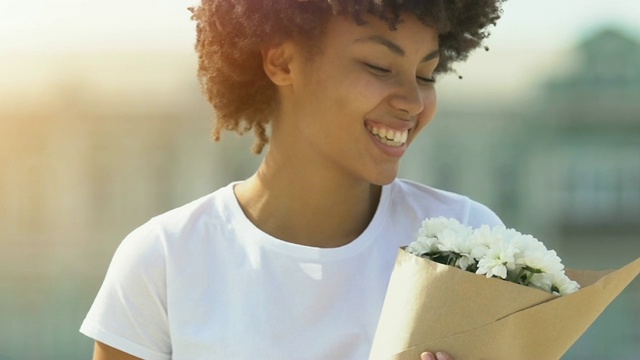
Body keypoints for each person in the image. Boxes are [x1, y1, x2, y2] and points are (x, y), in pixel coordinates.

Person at [80, 0, 506, 359]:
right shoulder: (163, 258)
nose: (413, 102)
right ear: (281, 62)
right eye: (379, 66)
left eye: (426, 75)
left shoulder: (464, 242)